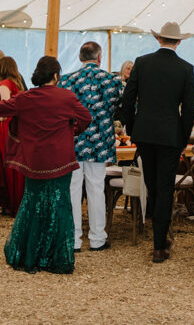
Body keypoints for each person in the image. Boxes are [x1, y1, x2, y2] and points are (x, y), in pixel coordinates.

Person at [0, 56, 92, 273]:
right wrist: (72, 132)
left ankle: (28, 255)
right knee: (60, 206)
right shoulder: (67, 97)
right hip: (61, 160)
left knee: (32, 205)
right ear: (56, 75)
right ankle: (58, 258)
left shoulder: (25, 98)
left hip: (34, 161)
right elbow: (86, 118)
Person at [116, 21, 194, 263]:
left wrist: (125, 126)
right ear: (178, 41)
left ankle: (159, 236)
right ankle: (159, 244)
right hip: (170, 135)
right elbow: (188, 109)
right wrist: (182, 138)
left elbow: (129, 98)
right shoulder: (185, 68)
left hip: (145, 134)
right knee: (165, 188)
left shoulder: (142, 62)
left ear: (158, 39)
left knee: (152, 185)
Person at [58, 41, 123, 252]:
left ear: (80, 57)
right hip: (100, 142)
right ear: (99, 57)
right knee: (96, 189)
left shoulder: (66, 80)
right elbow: (122, 107)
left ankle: (74, 239)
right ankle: (97, 239)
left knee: (73, 189)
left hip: (73, 141)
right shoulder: (112, 81)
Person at [0, 55, 27, 216]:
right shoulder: (16, 84)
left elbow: (5, 109)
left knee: (5, 165)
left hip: (4, 129)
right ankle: (14, 202)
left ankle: (10, 204)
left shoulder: (3, 84)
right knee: (13, 166)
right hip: (13, 128)